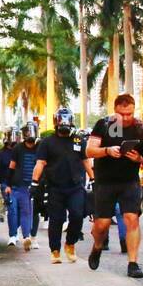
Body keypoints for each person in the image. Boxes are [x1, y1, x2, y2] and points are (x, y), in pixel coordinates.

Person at [85, 94, 143, 278]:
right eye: (122, 114)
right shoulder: (104, 125)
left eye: (130, 113)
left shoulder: (139, 126)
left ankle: (133, 263)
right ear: (115, 111)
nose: (126, 117)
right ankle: (97, 246)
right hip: (105, 182)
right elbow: (89, 150)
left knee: (132, 219)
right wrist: (106, 151)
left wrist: (140, 157)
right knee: (102, 225)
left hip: (129, 181)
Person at [32, 107, 92, 263]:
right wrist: (34, 182)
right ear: (56, 122)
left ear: (71, 121)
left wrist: (93, 179)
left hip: (75, 186)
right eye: (61, 120)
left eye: (67, 120)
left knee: (77, 215)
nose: (64, 123)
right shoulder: (47, 142)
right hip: (55, 187)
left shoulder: (79, 140)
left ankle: (70, 243)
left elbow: (86, 161)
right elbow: (40, 163)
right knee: (56, 220)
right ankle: (55, 250)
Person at [6, 127, 41, 251]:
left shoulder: (40, 147)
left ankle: (26, 236)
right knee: (13, 211)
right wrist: (8, 185)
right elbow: (11, 167)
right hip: (17, 185)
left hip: (31, 186)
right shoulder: (18, 148)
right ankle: (13, 235)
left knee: (27, 212)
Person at [0, 131, 20, 246]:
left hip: (21, 184)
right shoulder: (1, 153)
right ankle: (13, 235)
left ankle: (16, 228)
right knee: (12, 209)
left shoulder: (22, 151)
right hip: (6, 184)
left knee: (21, 210)